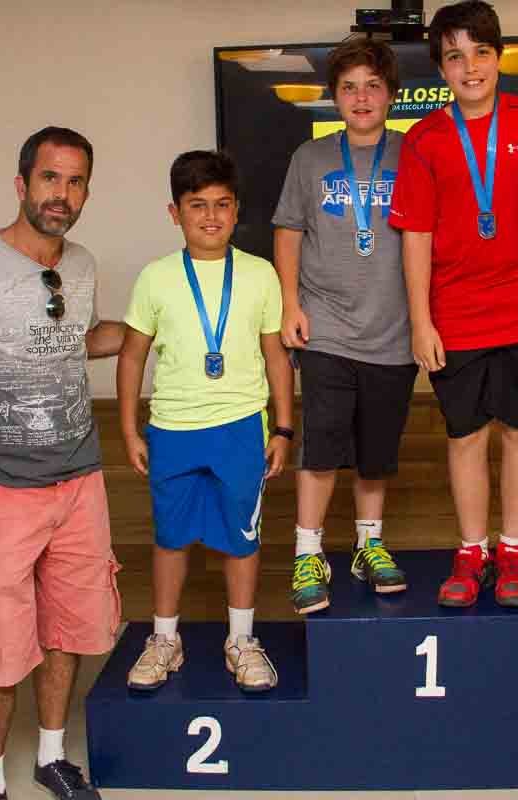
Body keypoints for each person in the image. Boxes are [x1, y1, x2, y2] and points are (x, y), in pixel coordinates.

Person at [0, 126, 125, 800]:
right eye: (49, 178)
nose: (61, 193)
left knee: (67, 628)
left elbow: (79, 339)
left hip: (80, 481)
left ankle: (53, 758)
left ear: (86, 191)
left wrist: (154, 325)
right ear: (22, 184)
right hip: (0, 488)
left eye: (75, 181)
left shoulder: (83, 265)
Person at [389, 0, 518, 607]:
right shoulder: (423, 139)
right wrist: (421, 321)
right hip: (456, 316)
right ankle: (472, 552)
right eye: (455, 56)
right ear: (440, 67)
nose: (469, 67)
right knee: (465, 435)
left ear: (499, 58)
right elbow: (415, 234)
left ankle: (513, 551)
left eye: (481, 53)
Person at [117, 150, 293, 693]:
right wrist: (129, 429)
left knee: (241, 538)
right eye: (197, 205)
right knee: (171, 538)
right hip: (172, 429)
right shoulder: (156, 277)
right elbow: (131, 356)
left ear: (237, 210)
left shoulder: (260, 274)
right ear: (176, 213)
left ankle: (241, 639)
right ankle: (164, 639)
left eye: (222, 204)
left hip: (240, 427)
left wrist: (283, 427)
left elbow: (276, 355)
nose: (210, 216)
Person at [271, 38, 416, 615]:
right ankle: (308, 552)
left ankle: (367, 545)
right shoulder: (309, 159)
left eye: (373, 86)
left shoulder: (414, 153)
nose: (361, 98)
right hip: (325, 325)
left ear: (391, 95)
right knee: (322, 447)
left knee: (376, 453)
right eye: (349, 87)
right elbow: (288, 231)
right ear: (334, 96)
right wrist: (289, 303)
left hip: (393, 329)